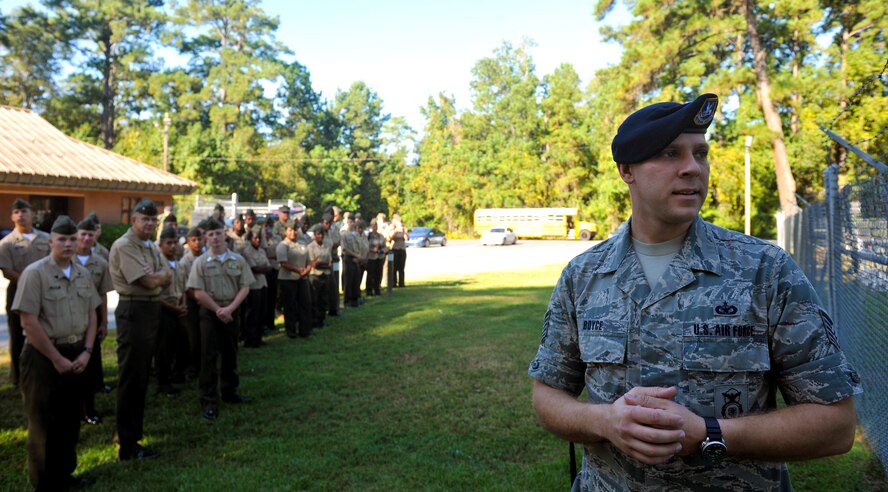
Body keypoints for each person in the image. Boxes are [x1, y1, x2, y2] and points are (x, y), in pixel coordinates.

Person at [528, 94, 863, 491]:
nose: (692, 168)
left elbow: (836, 425)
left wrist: (711, 433)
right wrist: (604, 422)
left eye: (700, 153)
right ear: (626, 170)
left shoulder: (765, 271)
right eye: (670, 154)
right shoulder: (584, 275)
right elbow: (547, 396)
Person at [12, 215, 101, 490]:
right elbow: (28, 321)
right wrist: (56, 358)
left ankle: (64, 475)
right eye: (62, 239)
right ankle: (45, 484)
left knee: (69, 421)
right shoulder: (35, 273)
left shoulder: (83, 273)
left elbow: (92, 314)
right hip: (43, 357)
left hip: (76, 354)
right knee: (43, 425)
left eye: (72, 239)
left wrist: (87, 351)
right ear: (50, 241)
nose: (69, 244)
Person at [109, 199, 172, 460]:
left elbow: (168, 272)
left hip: (149, 310)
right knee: (132, 378)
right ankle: (128, 444)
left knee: (142, 375)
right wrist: (158, 278)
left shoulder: (147, 245)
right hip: (134, 311)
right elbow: (147, 281)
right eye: (144, 219)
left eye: (153, 220)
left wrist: (158, 277)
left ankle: (130, 434)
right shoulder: (125, 246)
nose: (149, 224)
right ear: (133, 219)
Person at [186, 219, 255, 420]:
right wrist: (218, 310)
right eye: (210, 234)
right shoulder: (200, 262)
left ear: (224, 234)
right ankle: (208, 400)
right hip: (210, 313)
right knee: (208, 357)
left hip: (232, 311)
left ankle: (230, 392)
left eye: (218, 233)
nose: (215, 238)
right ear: (205, 237)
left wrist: (230, 309)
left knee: (231, 353)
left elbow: (245, 286)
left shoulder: (237, 259)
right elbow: (197, 292)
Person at [0, 199, 51, 387]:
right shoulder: (6, 243)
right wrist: (31, 281)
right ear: (12, 216)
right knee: (18, 334)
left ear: (32, 214)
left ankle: (43, 371)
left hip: (45, 292)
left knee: (45, 331)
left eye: (24, 211)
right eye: (16, 212)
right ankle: (18, 377)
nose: (21, 214)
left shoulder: (47, 239)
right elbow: (6, 270)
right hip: (18, 292)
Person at [75, 216, 114, 425]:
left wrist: (104, 322)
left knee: (89, 368)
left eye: (91, 234)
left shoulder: (99, 262)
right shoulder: (65, 258)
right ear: (76, 236)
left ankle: (88, 409)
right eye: (83, 234)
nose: (87, 238)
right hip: (68, 319)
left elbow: (103, 294)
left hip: (92, 320)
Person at [156, 226, 187, 396]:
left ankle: (177, 375)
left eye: (175, 242)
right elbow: (155, 295)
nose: (173, 246)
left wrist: (183, 305)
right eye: (169, 243)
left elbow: (183, 288)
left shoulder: (179, 263)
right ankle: (163, 383)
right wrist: (175, 308)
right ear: (161, 244)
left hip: (178, 309)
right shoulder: (157, 263)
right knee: (164, 350)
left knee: (182, 345)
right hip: (164, 310)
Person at [276, 220, 314, 338]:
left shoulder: (302, 243)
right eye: (290, 230)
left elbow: (308, 260)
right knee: (290, 306)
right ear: (286, 231)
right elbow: (283, 263)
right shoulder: (283, 245)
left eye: (295, 230)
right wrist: (298, 270)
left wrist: (307, 270)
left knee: (305, 304)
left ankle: (305, 330)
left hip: (302, 278)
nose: (293, 232)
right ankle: (291, 331)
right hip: (288, 279)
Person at [179, 226, 205, 381]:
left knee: (205, 336)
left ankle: (203, 365)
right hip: (192, 302)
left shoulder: (206, 257)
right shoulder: (184, 262)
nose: (197, 243)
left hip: (206, 301)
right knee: (193, 337)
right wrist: (200, 299)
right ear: (188, 243)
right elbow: (186, 287)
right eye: (193, 240)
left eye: (199, 239)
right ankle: (192, 368)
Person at [242, 228, 272, 347]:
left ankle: (259, 338)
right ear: (250, 239)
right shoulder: (247, 252)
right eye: (255, 238)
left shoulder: (262, 251)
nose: (258, 240)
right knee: (253, 313)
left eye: (259, 238)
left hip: (263, 283)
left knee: (261, 312)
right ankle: (250, 339)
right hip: (253, 285)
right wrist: (264, 269)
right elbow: (254, 269)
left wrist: (263, 269)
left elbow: (269, 267)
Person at [307, 226, 332, 328]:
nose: (320, 236)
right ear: (314, 235)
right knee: (314, 299)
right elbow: (313, 264)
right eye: (318, 234)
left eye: (322, 234)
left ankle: (321, 321)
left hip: (325, 275)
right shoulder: (310, 247)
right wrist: (323, 264)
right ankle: (314, 321)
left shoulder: (326, 246)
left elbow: (330, 262)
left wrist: (322, 263)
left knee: (324, 299)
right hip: (315, 275)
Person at [262, 216, 281, 333]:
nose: (268, 228)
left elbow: (279, 254)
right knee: (264, 298)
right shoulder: (260, 238)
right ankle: (263, 323)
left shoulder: (277, 238)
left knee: (273, 296)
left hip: (274, 269)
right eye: (266, 225)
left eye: (270, 226)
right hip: (263, 270)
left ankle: (270, 323)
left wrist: (268, 255)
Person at [339, 215, 361, 308]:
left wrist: (358, 256)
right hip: (348, 258)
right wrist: (355, 255)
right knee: (348, 281)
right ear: (347, 222)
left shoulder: (356, 234)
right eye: (350, 222)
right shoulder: (344, 234)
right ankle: (347, 301)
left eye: (353, 222)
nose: (352, 224)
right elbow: (344, 249)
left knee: (356, 280)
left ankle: (355, 300)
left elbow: (359, 246)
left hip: (356, 259)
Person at [325, 209, 342, 316]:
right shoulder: (322, 227)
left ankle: (334, 308)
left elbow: (337, 241)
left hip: (334, 257)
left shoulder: (335, 227)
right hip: (325, 258)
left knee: (334, 283)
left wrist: (333, 245)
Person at [385, 213, 408, 287]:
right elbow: (389, 239)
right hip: (394, 249)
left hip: (402, 249)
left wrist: (403, 232)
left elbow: (407, 238)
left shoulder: (403, 228)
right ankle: (393, 283)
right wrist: (396, 231)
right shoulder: (390, 228)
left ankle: (401, 283)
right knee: (394, 267)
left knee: (401, 267)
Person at [366, 218, 387, 296]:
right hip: (371, 257)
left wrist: (382, 251)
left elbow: (385, 246)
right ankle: (369, 290)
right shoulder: (368, 236)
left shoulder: (380, 236)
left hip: (379, 257)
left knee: (378, 274)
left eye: (376, 225)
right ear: (371, 226)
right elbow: (365, 246)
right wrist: (372, 250)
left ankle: (377, 289)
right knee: (370, 274)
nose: (375, 227)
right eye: (373, 225)